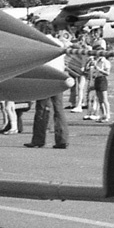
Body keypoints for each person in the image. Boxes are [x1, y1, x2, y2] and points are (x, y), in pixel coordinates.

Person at [25, 21, 69, 149]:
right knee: (58, 109)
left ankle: (38, 139)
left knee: (42, 109)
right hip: (59, 76)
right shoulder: (59, 42)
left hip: (45, 77)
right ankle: (62, 139)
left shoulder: (40, 43)